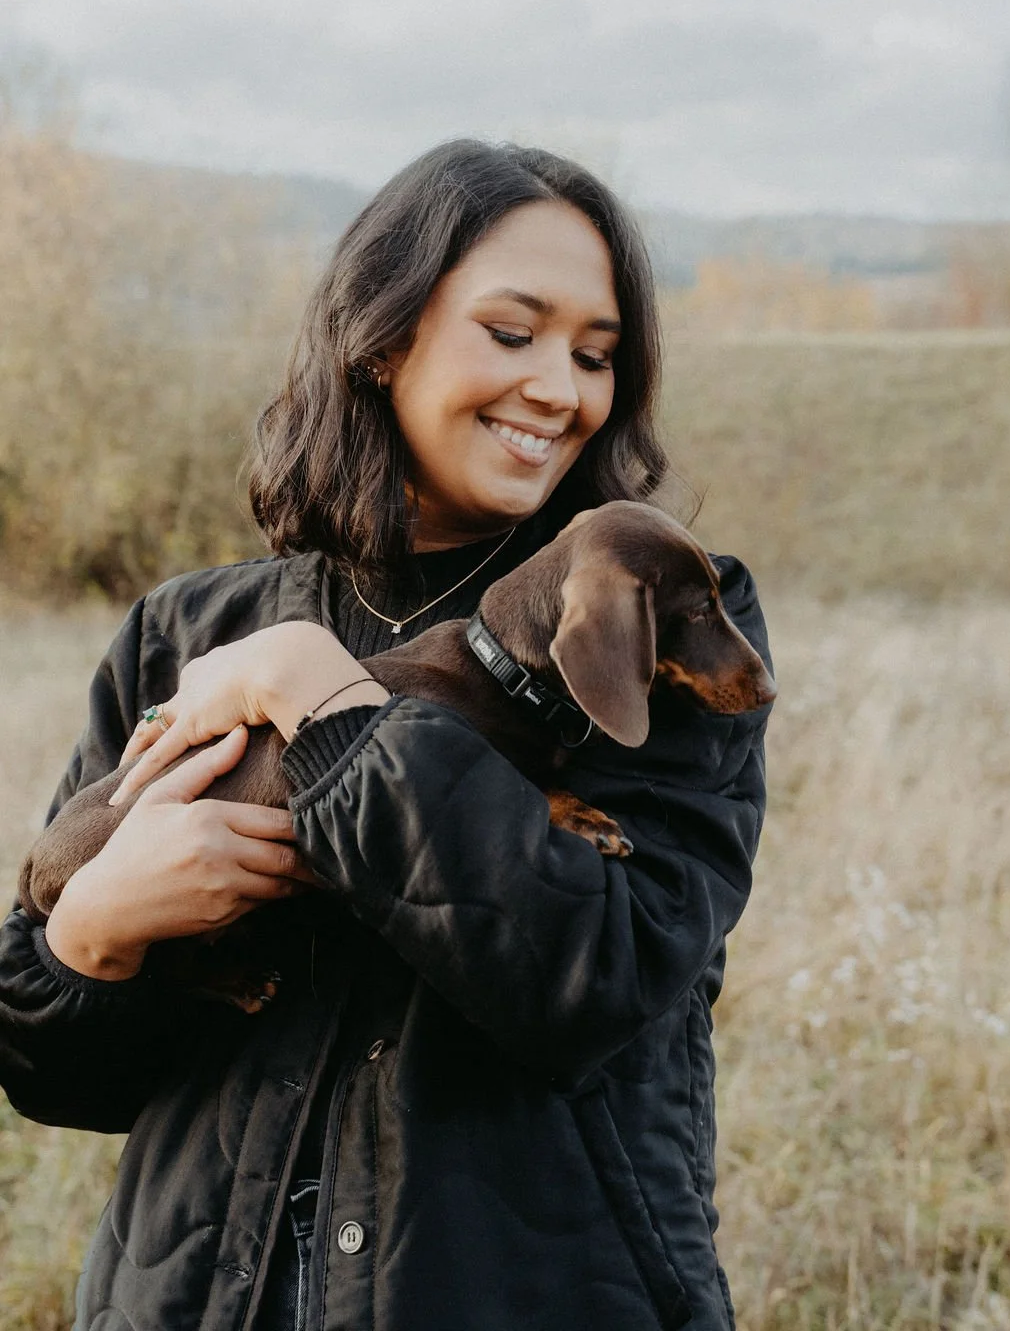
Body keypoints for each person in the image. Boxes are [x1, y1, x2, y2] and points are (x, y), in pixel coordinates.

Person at [0, 139, 772, 1331]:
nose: (561, 390)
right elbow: (58, 1078)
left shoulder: (643, 607)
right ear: (383, 337)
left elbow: (601, 985)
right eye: (512, 334)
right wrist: (95, 935)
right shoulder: (186, 629)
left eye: (596, 355)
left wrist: (326, 705)